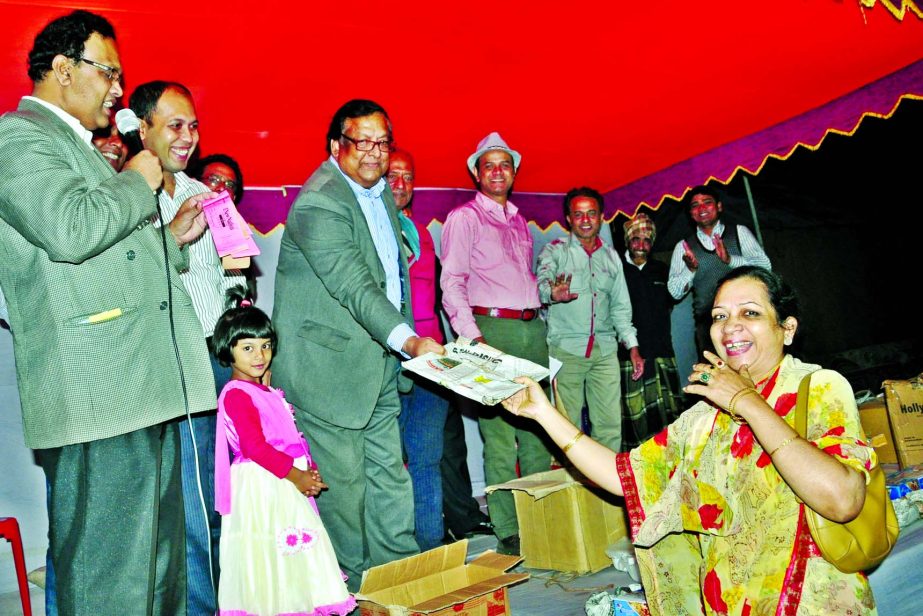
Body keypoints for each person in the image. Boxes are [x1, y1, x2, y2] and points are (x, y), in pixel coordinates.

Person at [502, 266, 877, 615]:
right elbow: (624, 476)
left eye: (750, 313)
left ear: (788, 328)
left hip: (808, 600)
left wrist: (746, 402)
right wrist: (543, 413)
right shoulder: (704, 417)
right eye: (719, 316)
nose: (730, 327)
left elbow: (841, 500)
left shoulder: (818, 387)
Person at [0, 10, 214, 614]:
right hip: (96, 399)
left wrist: (170, 241)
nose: (119, 88)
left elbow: (103, 261)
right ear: (62, 69)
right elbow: (68, 231)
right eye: (109, 71)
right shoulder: (16, 138)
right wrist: (142, 174)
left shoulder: (85, 152)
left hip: (142, 390)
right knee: (109, 582)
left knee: (158, 572)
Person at [272, 99, 444, 590]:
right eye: (361, 141)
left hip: (379, 365)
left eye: (382, 142)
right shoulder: (319, 202)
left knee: (391, 479)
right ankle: (348, 588)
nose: (374, 153)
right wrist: (410, 340)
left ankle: (401, 583)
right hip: (328, 374)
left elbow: (393, 279)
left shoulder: (381, 195)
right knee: (344, 493)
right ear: (335, 146)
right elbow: (354, 285)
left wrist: (400, 345)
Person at [131, 80, 246, 613]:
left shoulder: (210, 197)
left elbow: (239, 274)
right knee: (195, 503)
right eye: (175, 125)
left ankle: (229, 597)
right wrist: (166, 235)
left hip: (220, 361)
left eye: (193, 126)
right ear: (141, 126)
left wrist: (244, 338)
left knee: (226, 493)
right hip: (169, 364)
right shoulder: (125, 199)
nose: (188, 137)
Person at [212, 287, 355, 616]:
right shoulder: (236, 394)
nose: (259, 355)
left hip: (282, 481)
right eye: (247, 348)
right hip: (265, 488)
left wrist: (308, 469)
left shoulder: (261, 388)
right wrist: (296, 475)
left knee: (294, 558)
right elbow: (255, 446)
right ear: (227, 350)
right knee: (273, 560)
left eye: (265, 346)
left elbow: (287, 436)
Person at [440, 131, 551, 555]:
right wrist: (474, 340)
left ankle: (543, 517)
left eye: (505, 165)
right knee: (502, 437)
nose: (498, 172)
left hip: (531, 329)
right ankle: (509, 527)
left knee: (541, 430)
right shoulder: (464, 218)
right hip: (493, 330)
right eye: (489, 165)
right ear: (477, 174)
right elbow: (453, 283)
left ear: (514, 172)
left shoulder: (520, 221)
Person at [536, 187, 642, 453]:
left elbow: (621, 307)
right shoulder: (556, 251)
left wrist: (632, 347)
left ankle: (606, 490)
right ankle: (571, 491)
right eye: (578, 214)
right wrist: (552, 293)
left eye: (591, 213)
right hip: (566, 351)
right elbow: (541, 284)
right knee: (565, 427)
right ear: (569, 219)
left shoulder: (611, 257)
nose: (585, 220)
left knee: (609, 427)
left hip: (605, 352)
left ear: (601, 217)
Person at [387, 148, 452, 551]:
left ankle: (432, 550)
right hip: (386, 358)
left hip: (430, 361)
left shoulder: (424, 233)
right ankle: (397, 554)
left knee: (427, 460)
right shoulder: (367, 229)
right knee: (390, 463)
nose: (400, 184)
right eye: (393, 175)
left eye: (408, 177)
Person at [668, 185, 771, 373]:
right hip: (709, 326)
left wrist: (730, 260)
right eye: (695, 205)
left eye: (707, 202)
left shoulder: (738, 232)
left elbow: (765, 268)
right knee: (717, 378)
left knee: (756, 370)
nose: (702, 209)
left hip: (746, 317)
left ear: (719, 206)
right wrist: (690, 271)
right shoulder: (683, 247)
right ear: (691, 213)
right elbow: (674, 292)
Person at [619, 213, 684, 448]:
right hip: (630, 355)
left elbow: (673, 298)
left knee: (669, 417)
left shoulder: (661, 269)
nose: (641, 245)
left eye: (647, 240)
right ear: (627, 240)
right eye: (635, 239)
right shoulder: (617, 270)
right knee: (635, 419)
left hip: (662, 351)